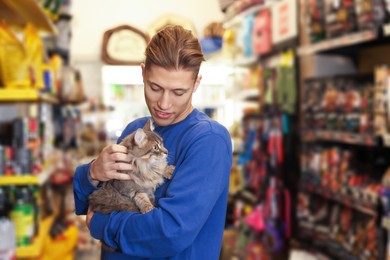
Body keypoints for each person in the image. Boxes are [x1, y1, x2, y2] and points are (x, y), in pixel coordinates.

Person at [73, 25, 233, 259]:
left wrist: (102, 225)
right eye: (155, 88)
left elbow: (170, 232)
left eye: (178, 92)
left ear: (196, 84)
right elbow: (90, 200)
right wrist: (93, 172)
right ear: (143, 74)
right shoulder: (134, 131)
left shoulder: (208, 140)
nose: (164, 104)